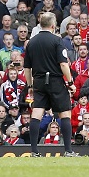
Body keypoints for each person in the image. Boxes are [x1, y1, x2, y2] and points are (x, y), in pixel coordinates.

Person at [23, 13, 79, 157]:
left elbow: (27, 68)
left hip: (39, 81)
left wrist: (30, 86)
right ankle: (68, 150)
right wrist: (71, 82)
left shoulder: (31, 42)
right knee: (65, 113)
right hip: (55, 80)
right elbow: (63, 64)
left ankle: (34, 151)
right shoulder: (57, 41)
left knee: (36, 114)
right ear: (53, 26)